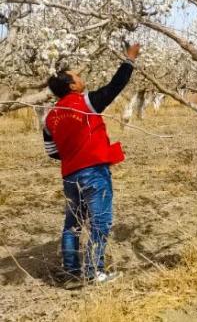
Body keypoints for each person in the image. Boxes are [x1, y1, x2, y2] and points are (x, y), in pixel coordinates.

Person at [43, 43, 140, 287]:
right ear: (72, 86)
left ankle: (71, 272)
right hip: (94, 173)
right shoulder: (85, 103)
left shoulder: (49, 117)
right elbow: (114, 87)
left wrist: (74, 154)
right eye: (77, 76)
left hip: (70, 176)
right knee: (101, 221)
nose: (81, 77)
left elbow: (52, 152)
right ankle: (94, 272)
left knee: (72, 222)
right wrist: (129, 60)